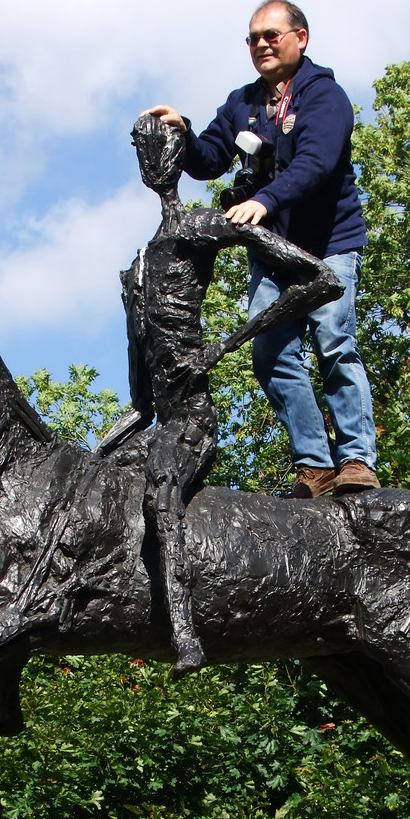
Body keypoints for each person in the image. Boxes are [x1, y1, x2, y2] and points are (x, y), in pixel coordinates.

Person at [104, 113, 342, 675]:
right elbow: (140, 405)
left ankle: (185, 633)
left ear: (180, 155)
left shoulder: (200, 227)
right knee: (89, 485)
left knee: (162, 487)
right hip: (161, 421)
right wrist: (95, 450)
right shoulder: (138, 268)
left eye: (164, 146)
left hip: (191, 423)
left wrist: (224, 347)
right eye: (144, 149)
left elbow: (322, 280)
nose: (154, 159)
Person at [147, 0, 379, 498]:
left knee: (334, 343)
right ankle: (315, 466)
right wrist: (183, 132)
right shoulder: (244, 103)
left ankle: (357, 459)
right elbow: (209, 159)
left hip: (329, 246)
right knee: (270, 352)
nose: (261, 45)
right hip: (272, 251)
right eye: (253, 38)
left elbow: (316, 163)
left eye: (272, 35)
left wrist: (264, 201)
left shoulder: (325, 97)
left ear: (301, 38)